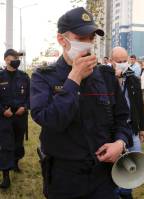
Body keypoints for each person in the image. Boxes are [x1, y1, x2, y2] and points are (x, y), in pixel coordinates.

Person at [30, 7, 133, 199]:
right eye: (81, 37)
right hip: (64, 178)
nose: (88, 43)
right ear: (62, 40)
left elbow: (123, 119)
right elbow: (49, 119)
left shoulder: (106, 75)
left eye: (91, 37)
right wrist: (74, 78)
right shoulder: (43, 77)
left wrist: (120, 142)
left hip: (102, 176)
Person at [111, 46, 144, 199]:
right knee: (114, 163)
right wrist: (115, 79)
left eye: (124, 61)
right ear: (112, 61)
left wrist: (142, 128)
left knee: (134, 163)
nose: (122, 64)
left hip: (131, 128)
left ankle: (126, 192)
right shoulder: (104, 78)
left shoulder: (133, 79)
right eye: (119, 61)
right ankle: (113, 192)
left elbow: (139, 104)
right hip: (112, 130)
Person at [0, 49, 30, 189]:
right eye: (14, 57)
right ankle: (6, 177)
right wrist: (2, 110)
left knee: (18, 144)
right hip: (4, 117)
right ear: (6, 59)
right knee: (6, 146)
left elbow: (31, 96)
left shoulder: (24, 77)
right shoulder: (0, 76)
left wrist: (25, 107)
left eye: (18, 58)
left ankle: (16, 162)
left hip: (20, 116)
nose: (17, 60)